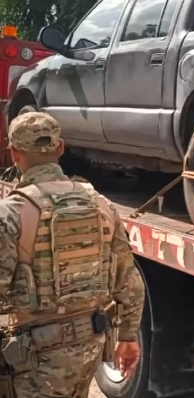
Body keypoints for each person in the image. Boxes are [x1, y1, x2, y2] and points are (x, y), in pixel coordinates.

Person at [0, 112, 145, 398]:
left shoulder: (11, 213)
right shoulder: (102, 205)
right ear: (60, 148)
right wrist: (128, 337)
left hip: (32, 359)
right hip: (89, 346)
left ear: (14, 153)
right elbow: (130, 282)